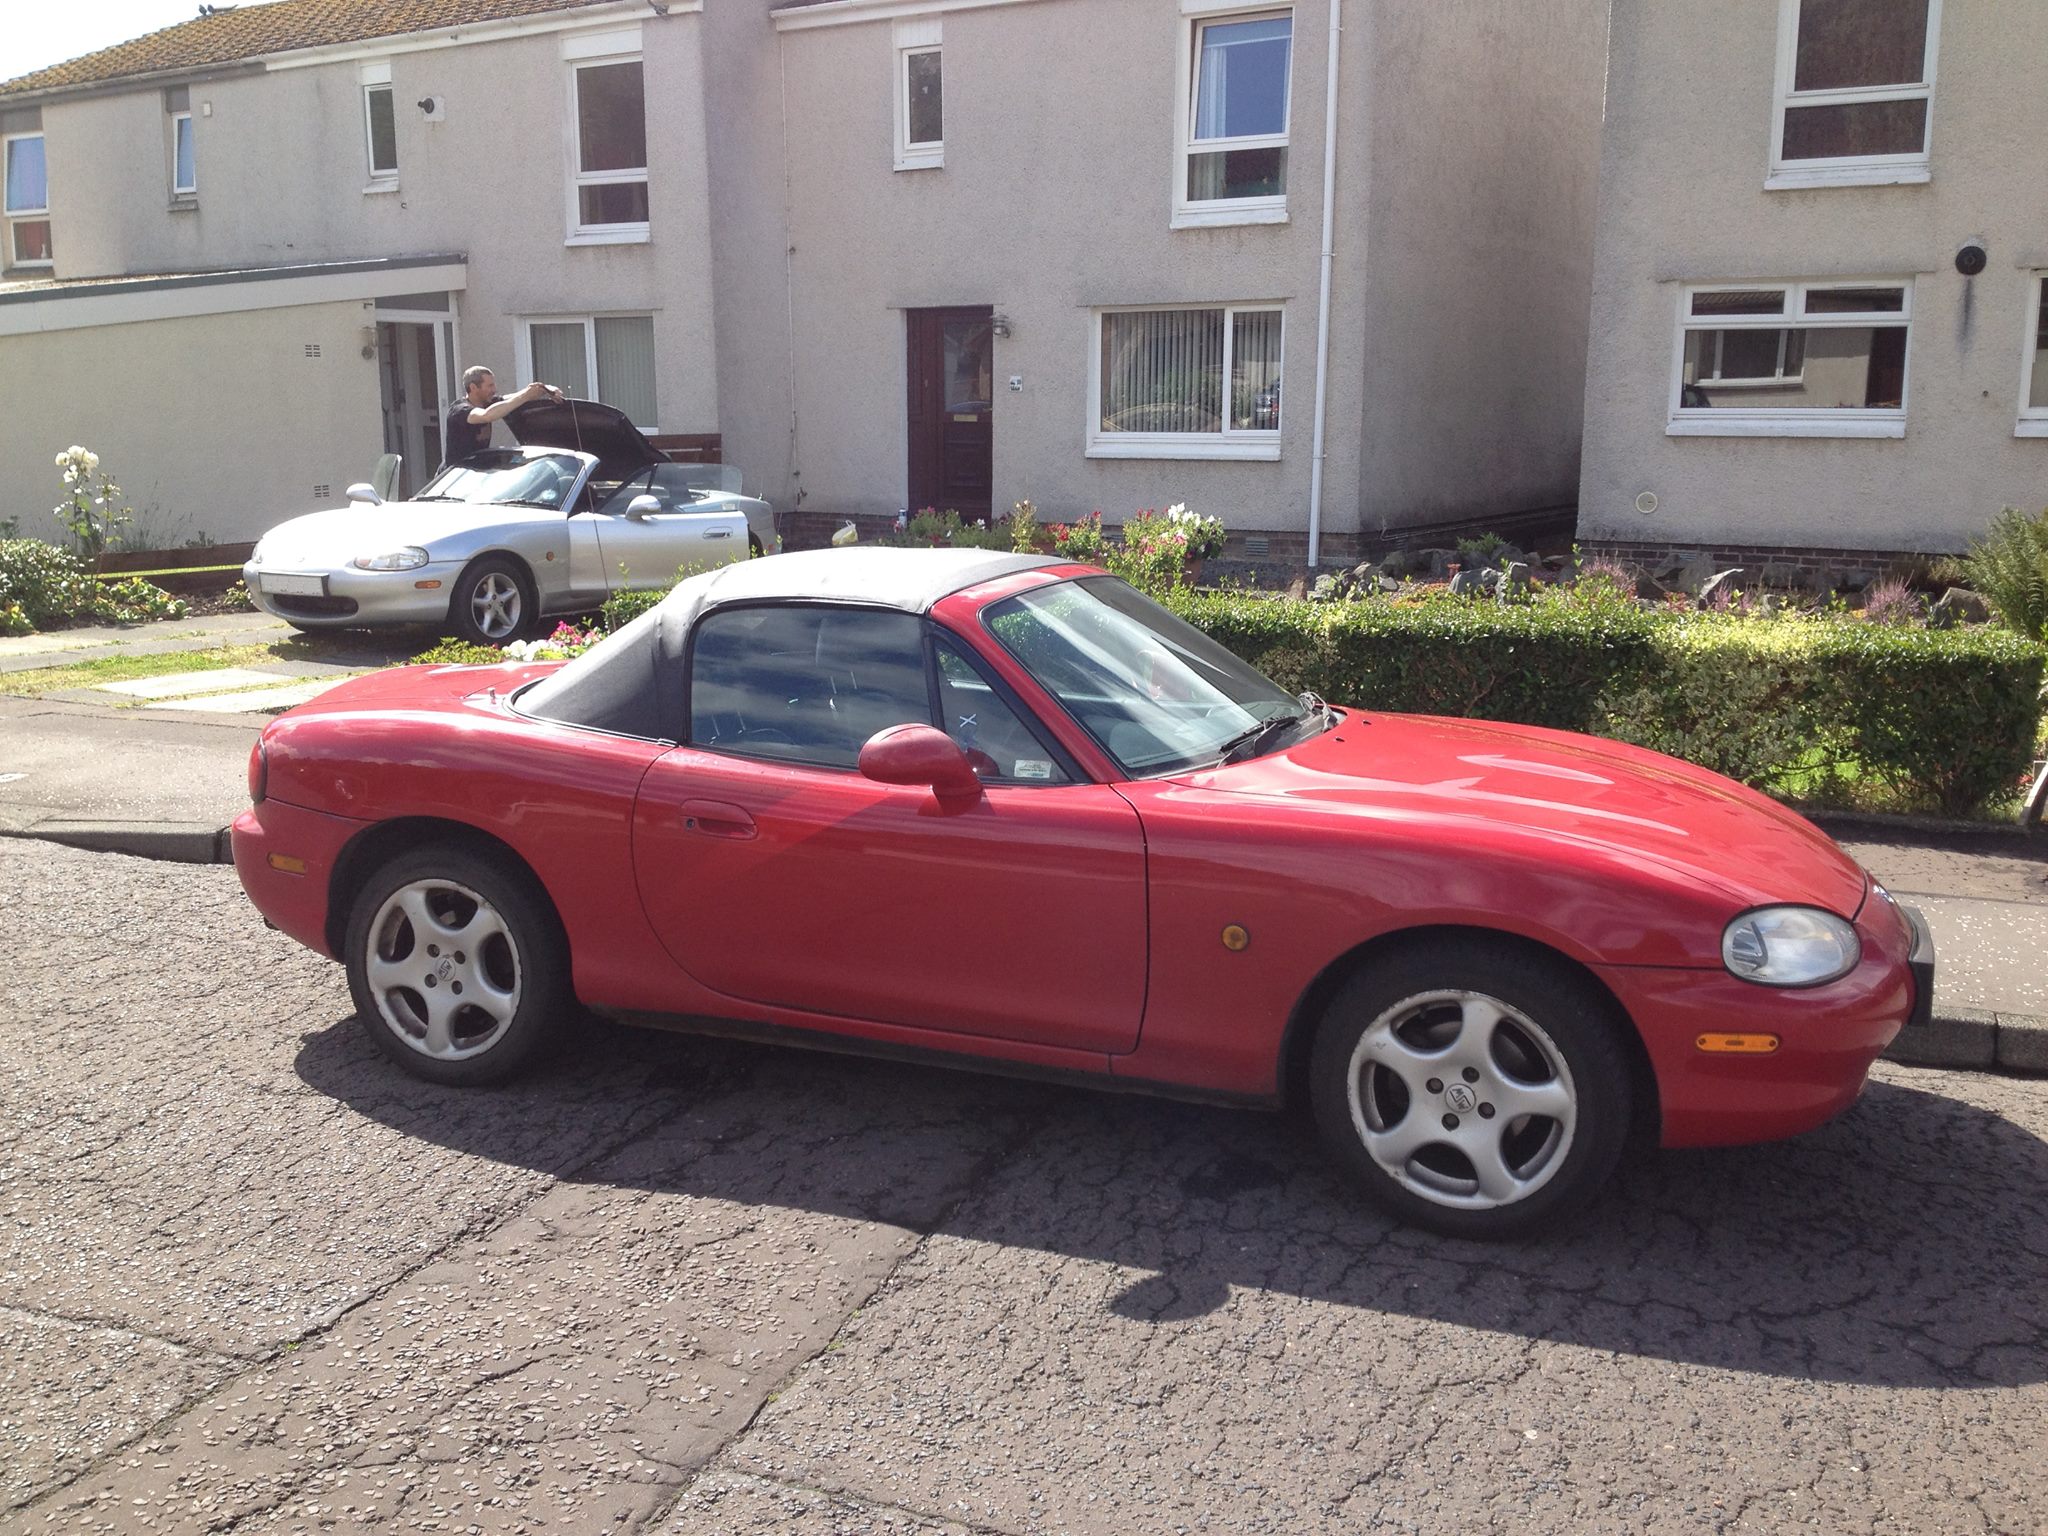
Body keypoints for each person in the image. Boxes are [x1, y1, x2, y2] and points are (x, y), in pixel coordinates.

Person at [443, 366, 562, 466]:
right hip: (453, 476)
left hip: (476, 472)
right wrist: (525, 396)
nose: (494, 389)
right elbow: (487, 415)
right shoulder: (460, 410)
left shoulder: (488, 402)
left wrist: (547, 389)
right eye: (490, 386)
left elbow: (514, 397)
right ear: (473, 387)